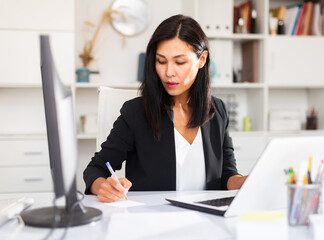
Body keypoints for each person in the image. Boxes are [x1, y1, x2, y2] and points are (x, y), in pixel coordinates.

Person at [83, 14, 247, 203]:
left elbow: (227, 174)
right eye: (161, 61)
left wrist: (244, 182)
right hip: (153, 222)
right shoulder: (136, 112)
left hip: (207, 222)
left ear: (202, 60)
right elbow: (95, 169)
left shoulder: (217, 110)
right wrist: (102, 185)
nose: (169, 72)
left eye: (179, 62)